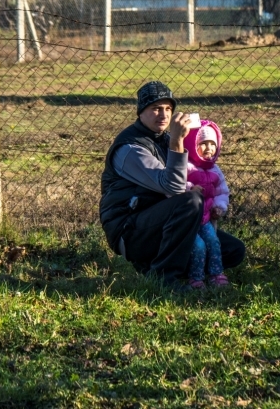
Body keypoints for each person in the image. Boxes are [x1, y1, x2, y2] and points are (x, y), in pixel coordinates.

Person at [99, 81, 245, 287]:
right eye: (156, 108)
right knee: (191, 202)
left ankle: (167, 266)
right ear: (141, 112)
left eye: (168, 109)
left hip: (163, 221)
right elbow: (173, 187)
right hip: (130, 229)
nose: (164, 115)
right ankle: (164, 278)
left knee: (232, 250)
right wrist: (177, 140)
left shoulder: (164, 138)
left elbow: (193, 171)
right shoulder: (130, 148)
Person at [183, 120, 230, 288]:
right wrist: (190, 188)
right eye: (203, 143)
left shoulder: (215, 170)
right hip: (188, 221)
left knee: (213, 241)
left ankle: (216, 273)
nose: (209, 148)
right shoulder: (186, 166)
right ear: (192, 144)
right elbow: (175, 185)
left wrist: (219, 207)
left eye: (212, 144)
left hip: (206, 218)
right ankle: (195, 278)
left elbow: (222, 192)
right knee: (198, 246)